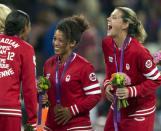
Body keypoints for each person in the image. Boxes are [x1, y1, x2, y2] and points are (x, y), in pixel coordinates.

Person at [102, 7, 161, 131]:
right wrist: (107, 84)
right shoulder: (106, 43)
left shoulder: (139, 51)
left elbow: (156, 79)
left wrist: (131, 91)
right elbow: (110, 70)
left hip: (140, 109)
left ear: (125, 25)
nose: (108, 19)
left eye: (114, 17)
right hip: (119, 106)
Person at [42, 15, 102, 131]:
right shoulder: (48, 64)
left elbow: (95, 96)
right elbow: (47, 93)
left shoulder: (84, 66)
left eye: (61, 40)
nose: (56, 43)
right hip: (52, 126)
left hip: (77, 126)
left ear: (72, 43)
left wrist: (71, 111)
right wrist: (43, 97)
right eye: (55, 39)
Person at [0, 10, 37, 131]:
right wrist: (32, 119)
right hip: (9, 112)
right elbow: (29, 87)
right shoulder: (26, 49)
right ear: (25, 28)